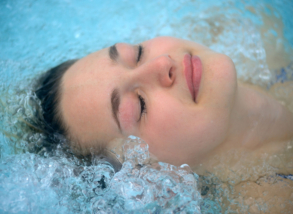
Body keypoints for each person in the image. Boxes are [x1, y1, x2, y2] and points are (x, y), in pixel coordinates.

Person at [35, 36, 293, 212]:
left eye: (137, 53)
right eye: (139, 106)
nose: (162, 63)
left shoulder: (262, 38)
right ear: (151, 181)